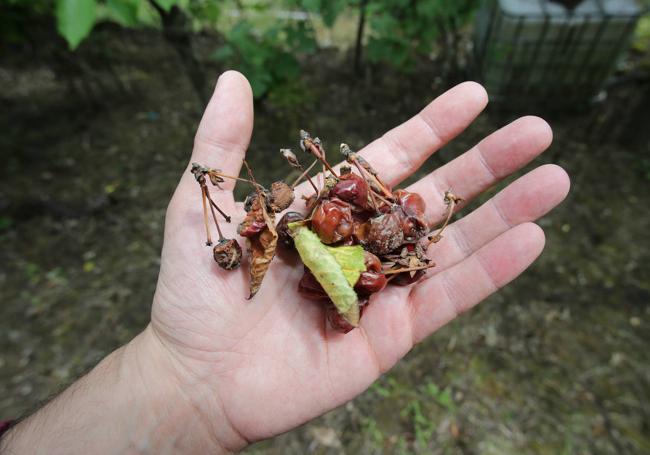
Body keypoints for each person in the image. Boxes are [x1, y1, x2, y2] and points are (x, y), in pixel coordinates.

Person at [0, 71, 570, 453]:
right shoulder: (308, 233)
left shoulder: (356, 233)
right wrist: (175, 377)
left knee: (357, 260)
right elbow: (326, 255)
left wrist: (373, 253)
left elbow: (352, 259)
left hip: (354, 257)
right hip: (333, 259)